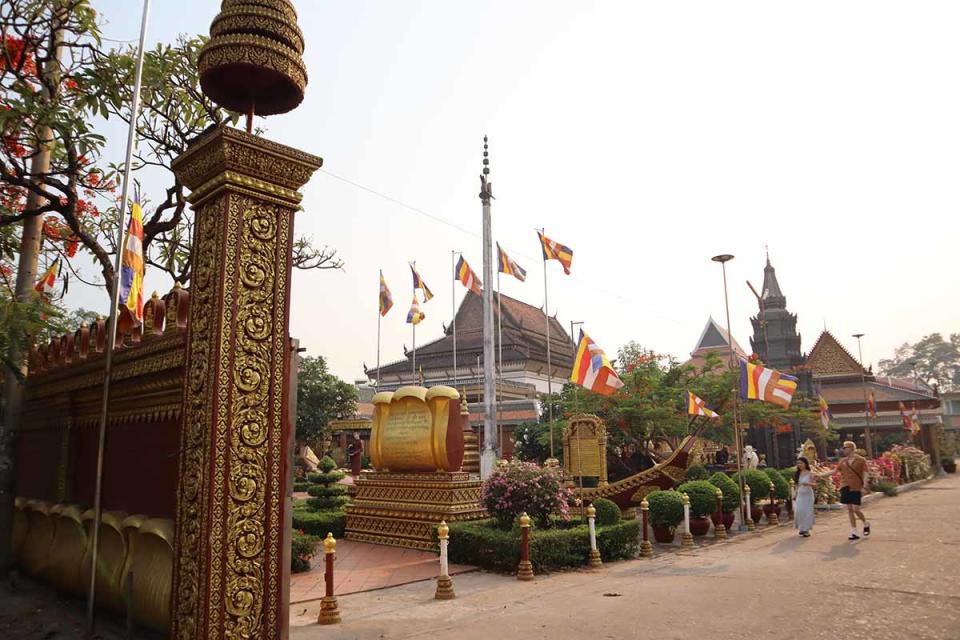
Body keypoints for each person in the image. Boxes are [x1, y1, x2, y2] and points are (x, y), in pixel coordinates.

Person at [793, 456, 834, 537]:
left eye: (801, 463)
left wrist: (808, 484)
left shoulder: (810, 473)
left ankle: (806, 530)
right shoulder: (798, 474)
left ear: (805, 464)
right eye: (798, 463)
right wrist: (795, 494)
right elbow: (797, 485)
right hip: (800, 495)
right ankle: (801, 528)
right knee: (799, 511)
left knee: (807, 512)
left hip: (808, 495)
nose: (799, 465)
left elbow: (815, 485)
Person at [837, 440, 870, 540]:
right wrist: (819, 475)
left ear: (851, 448)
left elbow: (865, 473)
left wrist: (864, 484)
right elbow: (834, 471)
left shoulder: (861, 460)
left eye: (845, 447)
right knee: (850, 509)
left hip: (856, 486)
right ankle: (854, 531)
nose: (843, 449)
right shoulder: (843, 461)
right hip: (845, 486)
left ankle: (865, 523)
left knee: (856, 509)